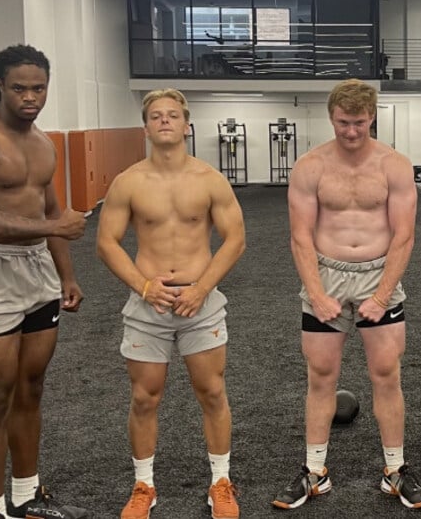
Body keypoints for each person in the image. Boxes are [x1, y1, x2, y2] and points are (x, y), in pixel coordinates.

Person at [0, 44, 89, 519]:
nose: (31, 97)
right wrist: (54, 230)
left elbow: (51, 211)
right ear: (1, 86)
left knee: (31, 388)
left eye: (39, 88)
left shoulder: (44, 143)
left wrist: (66, 273)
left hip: (38, 274)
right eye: (20, 88)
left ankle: (26, 498)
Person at [273, 78, 421, 510]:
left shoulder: (394, 165)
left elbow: (404, 236)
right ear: (331, 118)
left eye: (359, 123)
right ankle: (315, 471)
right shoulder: (311, 166)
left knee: (386, 373)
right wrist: (317, 293)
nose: (351, 132)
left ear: (372, 117)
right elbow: (300, 238)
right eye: (343, 123)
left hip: (379, 274)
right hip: (326, 274)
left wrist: (381, 297)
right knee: (321, 375)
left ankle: (395, 470)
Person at [96, 89, 246, 519]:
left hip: (202, 303)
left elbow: (235, 239)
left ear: (187, 125)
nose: (165, 121)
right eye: (156, 116)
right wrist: (144, 286)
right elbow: (107, 243)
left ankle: (221, 480)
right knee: (145, 397)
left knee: (213, 391)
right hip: (149, 306)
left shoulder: (210, 179)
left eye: (173, 115)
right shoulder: (128, 182)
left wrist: (203, 287)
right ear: (145, 127)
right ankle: (143, 485)